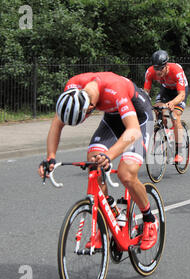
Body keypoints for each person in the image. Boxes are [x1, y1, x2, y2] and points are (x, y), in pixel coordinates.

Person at [38, 72, 157, 250]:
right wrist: (50, 157)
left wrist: (109, 155)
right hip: (112, 118)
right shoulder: (73, 89)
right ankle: (108, 216)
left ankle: (149, 220)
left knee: (126, 174)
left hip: (139, 119)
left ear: (90, 106)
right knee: (93, 163)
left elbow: (133, 131)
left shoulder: (114, 89)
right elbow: (57, 124)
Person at [144, 50, 189, 163]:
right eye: (156, 68)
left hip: (179, 92)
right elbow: (145, 93)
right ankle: (165, 132)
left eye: (161, 68)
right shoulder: (150, 72)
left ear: (166, 65)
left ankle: (179, 152)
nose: (158, 72)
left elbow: (182, 94)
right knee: (158, 110)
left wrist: (172, 103)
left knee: (175, 115)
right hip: (166, 89)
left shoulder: (176, 70)